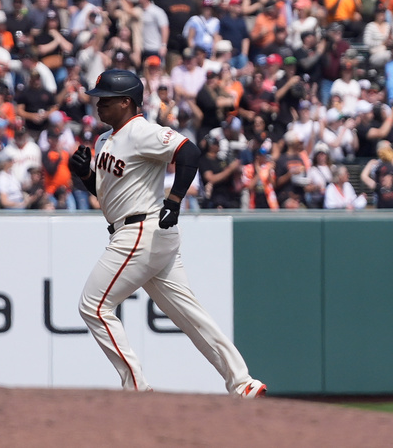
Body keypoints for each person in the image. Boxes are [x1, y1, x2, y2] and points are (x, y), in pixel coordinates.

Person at [68, 69, 267, 398]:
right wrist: (86, 176)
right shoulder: (104, 140)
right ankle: (243, 382)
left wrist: (174, 200)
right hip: (141, 232)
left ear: (126, 102)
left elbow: (189, 153)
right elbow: (108, 195)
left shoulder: (142, 131)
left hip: (141, 230)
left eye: (105, 99)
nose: (98, 104)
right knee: (190, 314)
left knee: (93, 306)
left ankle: (136, 388)